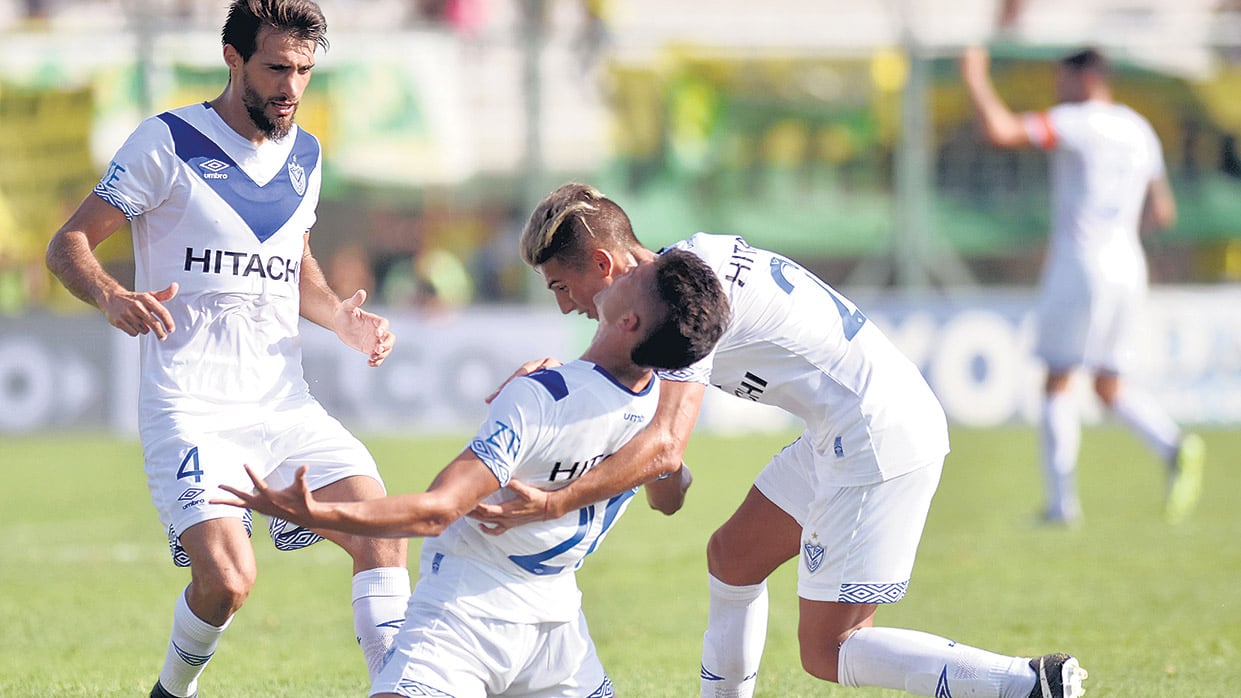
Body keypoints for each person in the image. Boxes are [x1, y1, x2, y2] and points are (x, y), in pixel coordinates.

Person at [472, 182, 1088, 698]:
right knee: (734, 556)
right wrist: (560, 386)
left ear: (604, 265)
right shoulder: (681, 274)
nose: (565, 307)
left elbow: (664, 452)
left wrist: (557, 500)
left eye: (561, 286)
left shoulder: (683, 297)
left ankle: (1027, 684)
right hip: (849, 424)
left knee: (830, 650)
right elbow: (655, 456)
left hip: (874, 433)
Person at [43, 2, 409, 696]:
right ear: (232, 58)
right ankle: (171, 691)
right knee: (229, 582)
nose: (291, 87)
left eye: (303, 70)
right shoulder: (167, 142)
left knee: (381, 530)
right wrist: (112, 295)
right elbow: (70, 243)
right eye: (276, 68)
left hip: (284, 404)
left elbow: (292, 260)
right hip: (192, 411)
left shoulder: (306, 154)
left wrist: (339, 318)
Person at [212, 248, 731, 697]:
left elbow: (437, 511)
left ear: (630, 322)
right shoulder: (659, 416)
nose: (626, 266)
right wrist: (661, 469)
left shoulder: (542, 396)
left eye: (637, 274)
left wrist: (314, 511)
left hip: (464, 618)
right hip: (559, 635)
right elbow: (670, 493)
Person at [959, 46, 1205, 525]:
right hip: (1128, 265)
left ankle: (1061, 506)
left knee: (1058, 379)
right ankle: (1175, 446)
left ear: (1087, 79)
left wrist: (975, 78)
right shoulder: (1139, 128)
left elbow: (1001, 131)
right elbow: (1162, 211)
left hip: (1081, 264)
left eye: (1063, 79)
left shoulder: (1077, 122)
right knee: (1108, 385)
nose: (1057, 88)